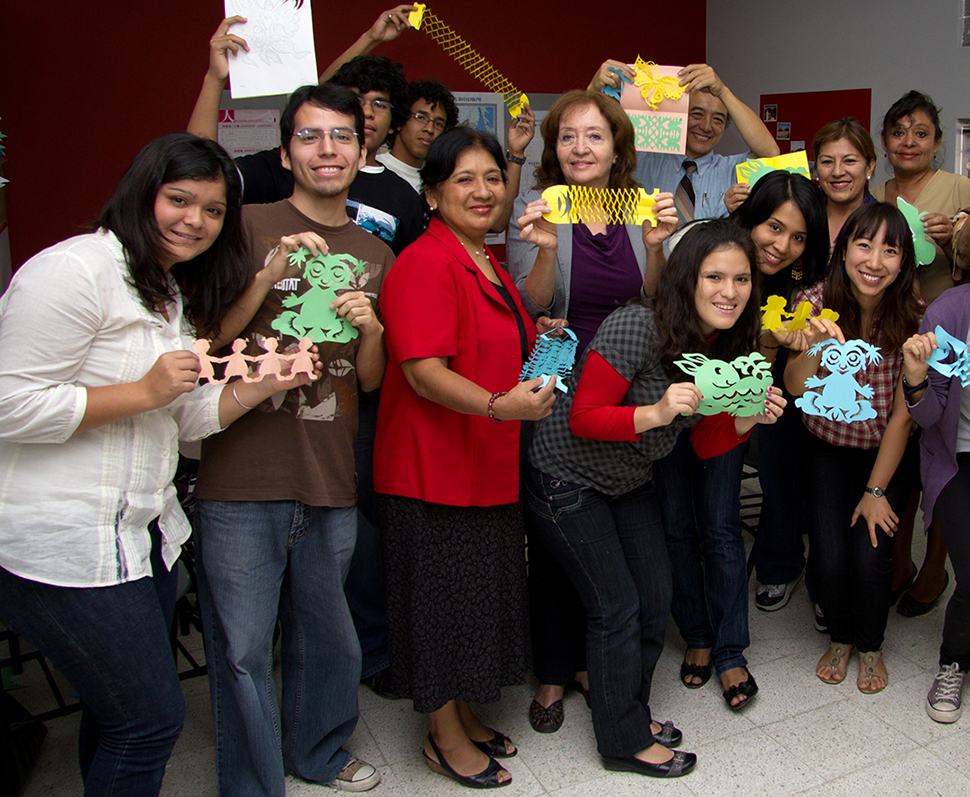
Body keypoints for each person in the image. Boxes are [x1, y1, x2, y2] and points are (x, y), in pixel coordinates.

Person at [0, 132, 319, 796]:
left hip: (141, 537)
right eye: (179, 200)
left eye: (212, 210)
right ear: (141, 193)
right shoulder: (74, 270)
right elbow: (9, 404)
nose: (194, 221)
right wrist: (141, 391)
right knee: (148, 722)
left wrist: (265, 382)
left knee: (114, 712)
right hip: (63, 547)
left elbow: (183, 419)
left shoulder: (165, 292)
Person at [525, 220, 785, 778]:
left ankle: (629, 711)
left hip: (628, 478)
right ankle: (622, 740)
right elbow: (584, 416)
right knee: (616, 604)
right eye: (715, 277)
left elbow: (707, 440)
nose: (730, 292)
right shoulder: (637, 324)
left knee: (653, 594)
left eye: (741, 279)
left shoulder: (724, 343)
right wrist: (659, 411)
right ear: (687, 277)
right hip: (566, 474)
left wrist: (746, 419)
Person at [192, 84, 393, 795]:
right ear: (285, 153)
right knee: (243, 648)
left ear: (363, 152)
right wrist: (266, 277)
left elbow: (369, 379)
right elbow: (205, 341)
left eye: (342, 136)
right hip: (239, 476)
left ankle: (319, 753)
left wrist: (372, 329)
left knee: (327, 636)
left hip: (329, 471)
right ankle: (250, 783)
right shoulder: (244, 225)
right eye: (310, 136)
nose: (327, 149)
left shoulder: (376, 250)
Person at [374, 127, 559, 789]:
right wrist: (498, 406)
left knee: (469, 602)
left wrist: (542, 311)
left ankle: (464, 716)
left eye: (492, 178)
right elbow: (421, 371)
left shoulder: (482, 257)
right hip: (432, 469)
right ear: (431, 194)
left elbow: (516, 319)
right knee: (438, 607)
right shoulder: (424, 262)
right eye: (464, 180)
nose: (483, 191)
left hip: (483, 460)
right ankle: (442, 736)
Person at [508, 88, 679, 733]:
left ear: (616, 149)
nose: (581, 148)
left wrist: (657, 246)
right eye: (567, 136)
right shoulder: (538, 208)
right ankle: (553, 673)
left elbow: (655, 303)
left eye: (595, 136)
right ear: (554, 149)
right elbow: (532, 304)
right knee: (559, 546)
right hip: (556, 387)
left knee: (611, 542)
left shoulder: (640, 209)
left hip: (621, 388)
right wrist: (547, 249)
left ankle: (595, 668)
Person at [785, 202, 923, 694]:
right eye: (864, 245)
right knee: (828, 555)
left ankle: (870, 646)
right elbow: (795, 387)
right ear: (843, 252)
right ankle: (840, 639)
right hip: (826, 446)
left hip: (887, 451)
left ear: (903, 263)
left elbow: (904, 416)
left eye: (891, 251)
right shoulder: (814, 301)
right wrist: (814, 345)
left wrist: (876, 491)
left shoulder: (913, 313)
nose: (875, 261)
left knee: (871, 555)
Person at [187, 19, 424, 255]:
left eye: (380, 104)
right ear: (287, 154)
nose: (368, 112)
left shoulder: (404, 198)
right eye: (356, 101)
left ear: (394, 123)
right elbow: (198, 170)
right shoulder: (288, 166)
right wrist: (215, 79)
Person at [871, 91, 970, 617]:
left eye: (921, 132)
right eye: (898, 132)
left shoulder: (959, 189)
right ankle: (897, 562)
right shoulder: (873, 193)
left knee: (939, 454)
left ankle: (934, 567)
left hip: (946, 342)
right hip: (888, 337)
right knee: (900, 451)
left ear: (937, 142)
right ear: (884, 142)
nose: (909, 141)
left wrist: (952, 238)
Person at [590, 60, 778, 221]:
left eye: (718, 119)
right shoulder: (640, 160)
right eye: (697, 114)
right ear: (680, 116)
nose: (706, 126)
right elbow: (584, 147)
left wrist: (723, 92)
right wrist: (594, 89)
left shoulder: (732, 170)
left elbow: (770, 152)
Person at [902, 285, 970, 722]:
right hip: (958, 457)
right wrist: (916, 378)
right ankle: (953, 662)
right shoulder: (950, 312)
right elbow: (928, 417)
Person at [812, 117, 877, 254]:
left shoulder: (882, 222)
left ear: (870, 167)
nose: (837, 172)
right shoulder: (803, 213)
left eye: (849, 161)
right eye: (827, 162)